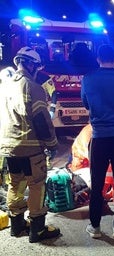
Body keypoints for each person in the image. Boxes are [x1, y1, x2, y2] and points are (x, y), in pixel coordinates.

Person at [0, 46, 60, 243]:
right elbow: (42, 120)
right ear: (31, 64)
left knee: (15, 184)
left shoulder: (5, 85)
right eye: (36, 65)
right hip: (30, 148)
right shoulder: (32, 87)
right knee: (36, 186)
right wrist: (52, 144)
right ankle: (37, 229)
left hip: (8, 147)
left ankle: (16, 226)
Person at [81, 44, 114, 238]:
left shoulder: (88, 80)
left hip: (99, 139)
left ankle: (95, 227)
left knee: (97, 183)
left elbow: (86, 104)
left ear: (98, 59)